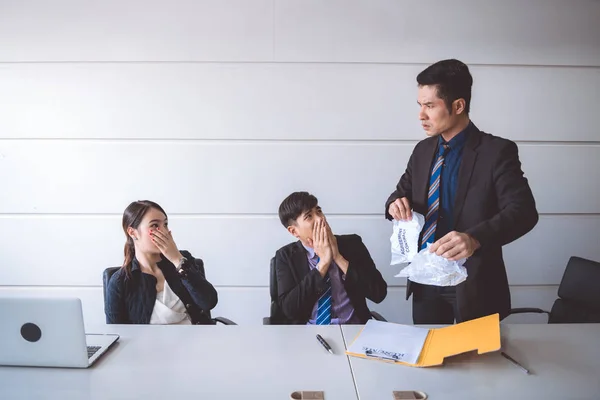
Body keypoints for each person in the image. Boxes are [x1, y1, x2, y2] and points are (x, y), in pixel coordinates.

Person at [385, 59, 538, 324]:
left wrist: (474, 239)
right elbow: (401, 192)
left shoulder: (496, 152)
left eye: (430, 106)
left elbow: (523, 212)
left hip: (475, 283)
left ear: (458, 105)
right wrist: (394, 204)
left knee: (480, 364)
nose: (421, 115)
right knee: (430, 360)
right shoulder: (422, 151)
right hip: (426, 280)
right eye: (420, 105)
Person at [274, 191, 387, 324]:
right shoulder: (285, 256)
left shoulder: (353, 244)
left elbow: (378, 293)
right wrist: (323, 264)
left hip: (354, 326)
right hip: (310, 331)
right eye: (309, 216)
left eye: (319, 211)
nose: (320, 219)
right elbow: (289, 310)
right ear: (294, 231)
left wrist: (338, 257)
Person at [105, 200, 218, 324]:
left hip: (195, 340)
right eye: (154, 225)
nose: (163, 231)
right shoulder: (120, 282)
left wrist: (177, 260)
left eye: (165, 224)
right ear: (133, 232)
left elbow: (209, 302)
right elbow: (116, 333)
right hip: (148, 343)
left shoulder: (183, 260)